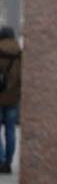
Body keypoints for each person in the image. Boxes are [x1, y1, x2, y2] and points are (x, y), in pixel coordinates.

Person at [0, 27, 20, 174]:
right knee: (10, 131)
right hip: (13, 97)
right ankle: (8, 162)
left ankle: (0, 160)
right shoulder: (20, 53)